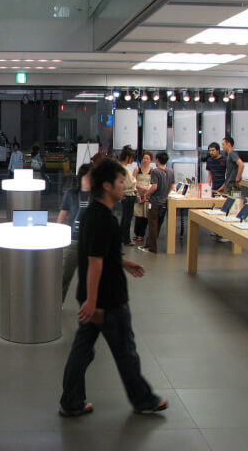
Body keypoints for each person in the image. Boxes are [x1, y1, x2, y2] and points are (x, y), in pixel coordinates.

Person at [58, 158, 167, 417]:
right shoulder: (103, 219)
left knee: (83, 351)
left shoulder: (95, 214)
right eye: (121, 182)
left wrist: (124, 262)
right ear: (107, 186)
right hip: (107, 300)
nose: (125, 186)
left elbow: (100, 254)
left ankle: (71, 402)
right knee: (125, 352)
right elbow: (95, 262)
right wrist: (94, 302)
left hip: (94, 298)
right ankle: (143, 399)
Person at [57, 163, 91, 303]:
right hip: (73, 241)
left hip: (90, 242)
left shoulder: (98, 195)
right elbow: (63, 215)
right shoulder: (71, 193)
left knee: (89, 279)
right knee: (64, 276)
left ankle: (88, 306)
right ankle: (56, 304)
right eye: (89, 176)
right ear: (82, 177)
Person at [139, 151, 174, 254]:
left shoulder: (155, 171)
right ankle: (148, 245)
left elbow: (154, 186)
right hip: (164, 202)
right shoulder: (170, 171)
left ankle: (152, 248)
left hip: (154, 203)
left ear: (157, 160)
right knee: (158, 225)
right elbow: (172, 187)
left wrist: (146, 194)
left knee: (152, 225)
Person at [132, 151, 153, 243]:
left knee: (145, 215)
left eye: (147, 158)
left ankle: (141, 234)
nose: (145, 160)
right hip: (138, 193)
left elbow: (152, 183)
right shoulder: (137, 169)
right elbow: (133, 181)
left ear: (150, 160)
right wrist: (140, 187)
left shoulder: (152, 170)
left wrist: (148, 191)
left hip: (147, 194)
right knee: (138, 214)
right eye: (144, 158)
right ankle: (136, 233)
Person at [118, 147, 136, 246]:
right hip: (128, 195)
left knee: (125, 218)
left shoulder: (123, 167)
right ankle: (126, 239)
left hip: (127, 195)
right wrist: (134, 180)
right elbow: (130, 182)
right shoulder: (124, 168)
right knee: (127, 219)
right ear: (128, 157)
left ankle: (123, 238)